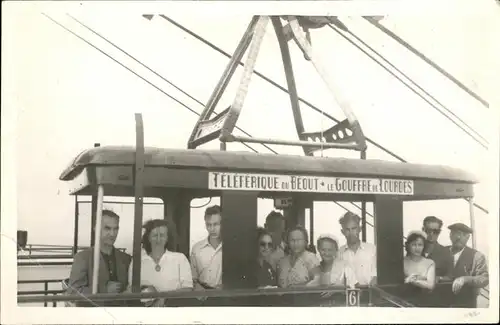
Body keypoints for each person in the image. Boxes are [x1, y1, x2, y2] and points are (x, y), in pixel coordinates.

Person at [67, 210, 132, 306]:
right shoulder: (83, 258)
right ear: (96, 229)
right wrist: (104, 290)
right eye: (107, 228)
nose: (112, 234)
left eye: (116, 229)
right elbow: (72, 293)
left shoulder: (126, 259)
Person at [127, 219, 193, 307]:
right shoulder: (137, 261)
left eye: (162, 235)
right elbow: (132, 290)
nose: (158, 239)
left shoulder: (180, 259)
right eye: (154, 235)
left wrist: (164, 298)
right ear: (148, 238)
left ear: (167, 238)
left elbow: (187, 289)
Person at [446, 223, 488, 308]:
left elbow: (484, 279)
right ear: (450, 235)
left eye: (463, 235)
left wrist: (465, 279)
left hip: (465, 306)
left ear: (468, 237)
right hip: (442, 304)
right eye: (456, 233)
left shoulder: (477, 256)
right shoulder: (442, 252)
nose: (459, 237)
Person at [338, 212, 377, 286]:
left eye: (354, 228)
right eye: (347, 229)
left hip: (370, 293)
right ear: (343, 232)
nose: (351, 233)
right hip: (347, 295)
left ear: (360, 229)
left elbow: (376, 275)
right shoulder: (339, 253)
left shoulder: (372, 249)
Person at [190, 205, 223, 291]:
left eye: (216, 224)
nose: (212, 229)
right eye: (208, 225)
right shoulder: (196, 249)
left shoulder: (231, 248)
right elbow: (192, 278)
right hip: (202, 295)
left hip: (225, 295)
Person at [421, 216, 453, 283]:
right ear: (423, 230)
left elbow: (450, 276)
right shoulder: (414, 251)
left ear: (439, 232)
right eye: (428, 230)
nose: (431, 234)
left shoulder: (445, 253)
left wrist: (439, 278)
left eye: (435, 231)